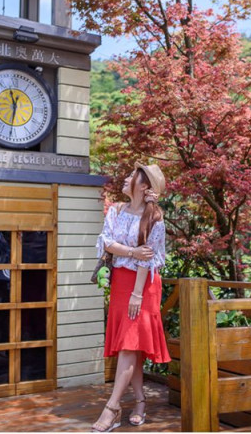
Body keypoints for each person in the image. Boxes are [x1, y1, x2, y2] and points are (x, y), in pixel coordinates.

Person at [91, 163, 170, 432]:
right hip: (121, 283)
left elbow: (147, 260)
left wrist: (137, 294)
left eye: (131, 176)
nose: (125, 178)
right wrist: (132, 252)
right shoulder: (115, 210)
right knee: (131, 347)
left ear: (144, 186)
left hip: (143, 287)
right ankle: (140, 401)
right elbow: (107, 243)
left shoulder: (155, 219)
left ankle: (112, 408)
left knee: (128, 345)